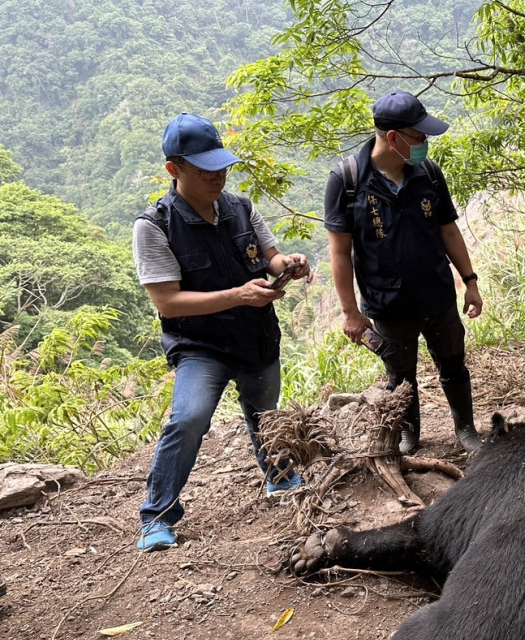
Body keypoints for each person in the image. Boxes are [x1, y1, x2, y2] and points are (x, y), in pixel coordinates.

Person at [133, 113, 312, 551]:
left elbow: (268, 256)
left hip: (255, 336)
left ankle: (280, 477)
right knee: (190, 417)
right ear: (174, 169)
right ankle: (157, 516)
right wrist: (236, 295)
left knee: (264, 412)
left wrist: (287, 264)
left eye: (222, 167)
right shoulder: (154, 226)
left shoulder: (240, 207)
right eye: (204, 170)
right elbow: (167, 302)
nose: (218, 177)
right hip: (200, 345)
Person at [325, 91, 483, 454]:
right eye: (419, 137)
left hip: (437, 294)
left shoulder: (428, 173)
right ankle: (410, 433)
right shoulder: (347, 181)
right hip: (387, 302)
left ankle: (465, 429)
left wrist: (470, 282)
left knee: (453, 364)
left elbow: (448, 230)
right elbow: (340, 252)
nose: (425, 144)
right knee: (400, 378)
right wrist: (350, 311)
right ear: (394, 138)